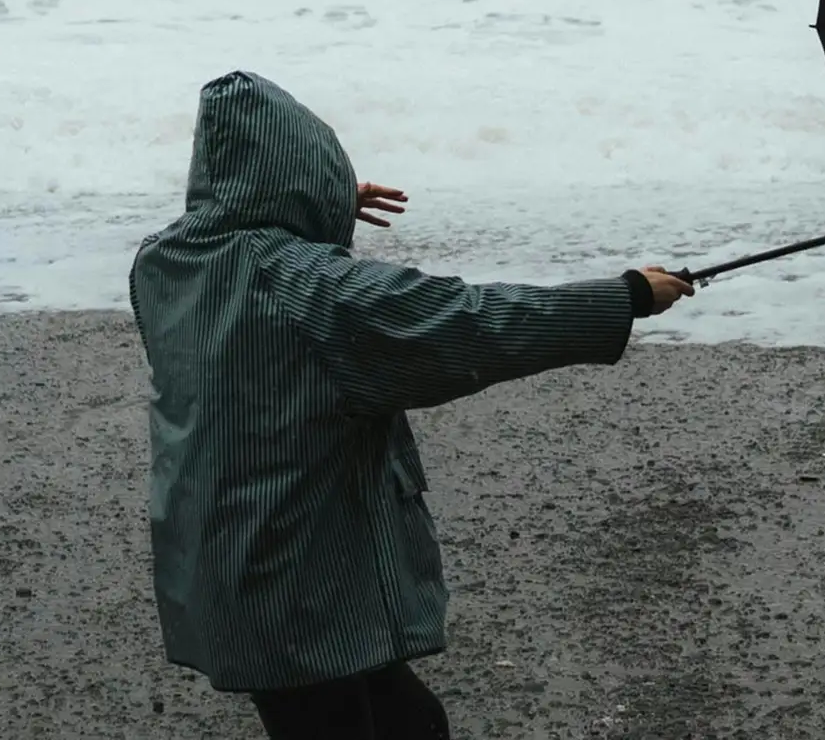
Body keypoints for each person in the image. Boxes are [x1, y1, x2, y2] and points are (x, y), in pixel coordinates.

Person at [132, 72, 697, 739]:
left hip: (224, 558)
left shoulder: (164, 263)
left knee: (409, 720)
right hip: (294, 578)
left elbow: (241, 235)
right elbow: (472, 322)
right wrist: (625, 294)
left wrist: (324, 205)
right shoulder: (310, 287)